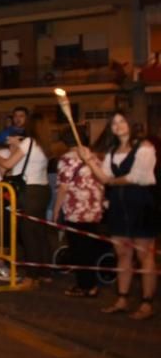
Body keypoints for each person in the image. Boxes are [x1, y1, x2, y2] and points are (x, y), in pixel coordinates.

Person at [79, 112, 157, 319]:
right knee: (122, 255)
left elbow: (136, 177)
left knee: (145, 256)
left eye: (122, 121)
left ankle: (147, 303)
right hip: (118, 207)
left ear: (131, 124)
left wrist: (111, 181)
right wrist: (90, 161)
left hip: (141, 205)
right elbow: (104, 177)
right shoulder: (113, 151)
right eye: (114, 123)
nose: (118, 125)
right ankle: (122, 299)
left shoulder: (145, 148)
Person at [0, 113, 52, 282]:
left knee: (28, 233)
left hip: (29, 191)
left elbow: (7, 165)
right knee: (40, 233)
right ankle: (45, 273)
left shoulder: (28, 142)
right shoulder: (45, 145)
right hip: (43, 190)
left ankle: (32, 275)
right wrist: (16, 146)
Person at [53, 128, 105, 298]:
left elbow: (63, 188)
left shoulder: (66, 160)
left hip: (76, 210)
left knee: (79, 250)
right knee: (90, 248)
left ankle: (85, 285)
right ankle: (92, 283)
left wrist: (56, 210)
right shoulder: (95, 157)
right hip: (94, 208)